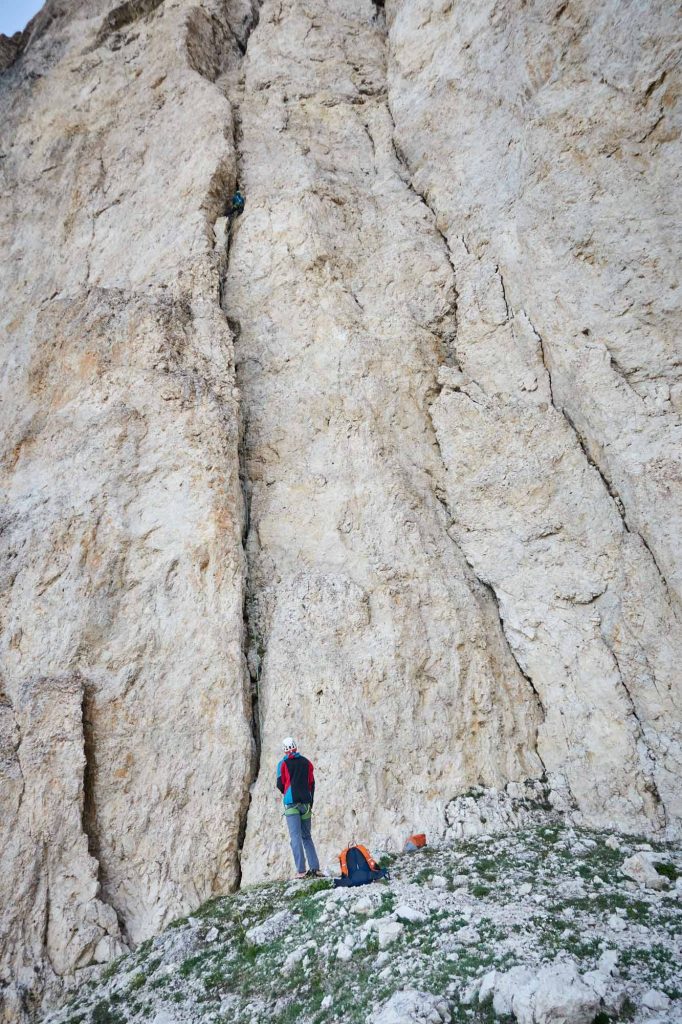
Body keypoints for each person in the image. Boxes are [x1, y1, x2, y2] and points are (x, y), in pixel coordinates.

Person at [276, 737, 322, 879]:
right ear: (296, 747)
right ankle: (315, 868)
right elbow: (311, 783)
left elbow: (280, 783)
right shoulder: (307, 762)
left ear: (284, 749)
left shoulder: (282, 763)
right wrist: (310, 802)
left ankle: (301, 871)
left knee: (295, 837)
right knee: (307, 836)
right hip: (306, 803)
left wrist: (287, 792)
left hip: (291, 803)